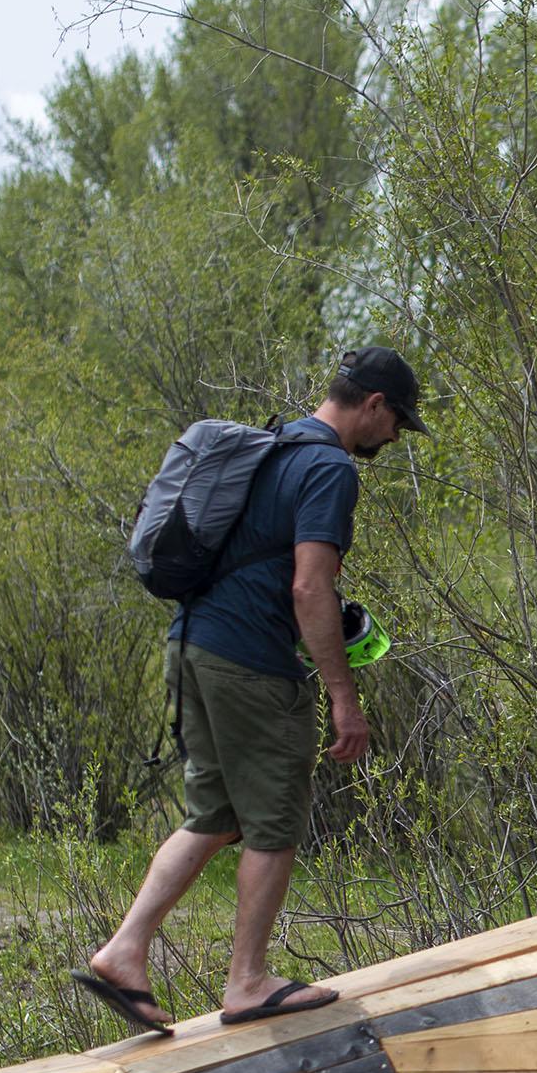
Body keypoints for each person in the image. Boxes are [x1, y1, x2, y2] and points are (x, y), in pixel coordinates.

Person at [73, 347, 424, 1033]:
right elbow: (307, 587)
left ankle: (123, 950)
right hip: (250, 661)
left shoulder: (272, 445)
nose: (396, 438)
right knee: (274, 818)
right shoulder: (329, 469)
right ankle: (248, 981)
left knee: (217, 812)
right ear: (374, 404)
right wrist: (343, 699)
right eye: (399, 422)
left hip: (192, 643)